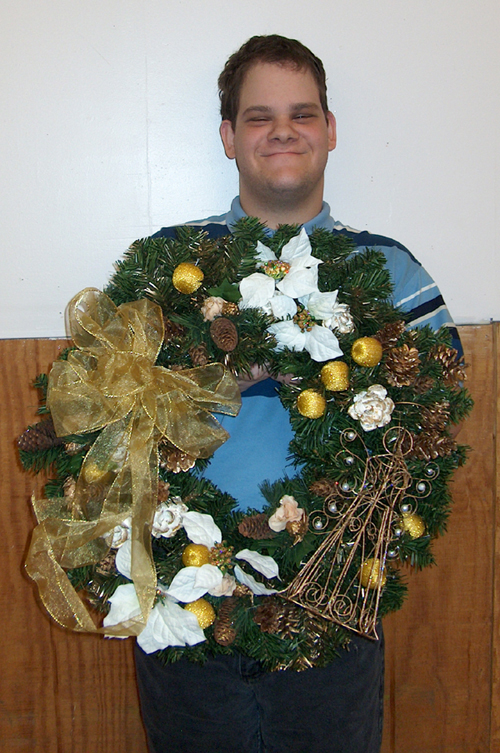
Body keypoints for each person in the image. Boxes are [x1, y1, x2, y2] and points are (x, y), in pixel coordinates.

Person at [134, 34, 460, 753]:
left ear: (330, 129)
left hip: (332, 603)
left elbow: (434, 427)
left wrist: (319, 377)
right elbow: (112, 411)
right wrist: (225, 377)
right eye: (259, 117)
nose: (282, 131)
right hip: (187, 603)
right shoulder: (170, 264)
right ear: (228, 137)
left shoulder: (391, 272)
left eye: (302, 113)